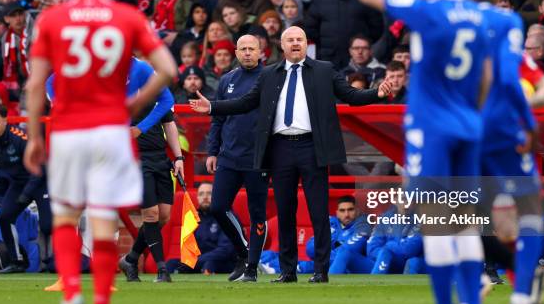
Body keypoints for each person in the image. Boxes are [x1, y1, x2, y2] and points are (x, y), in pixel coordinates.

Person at [24, 0, 176, 304]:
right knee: (105, 220)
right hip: (110, 131)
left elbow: (37, 82)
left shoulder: (54, 19)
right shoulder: (126, 16)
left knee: (65, 215)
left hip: (71, 130)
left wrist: (35, 137)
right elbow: (168, 69)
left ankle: (72, 292)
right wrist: (136, 102)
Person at [357, 0, 492, 304]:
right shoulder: (478, 16)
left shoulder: (427, 9)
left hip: (432, 128)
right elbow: (485, 75)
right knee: (464, 222)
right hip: (469, 125)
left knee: (435, 222)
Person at [190, 26, 392, 284]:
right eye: (290, 40)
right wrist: (212, 107)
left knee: (318, 210)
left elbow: (350, 95)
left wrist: (377, 93)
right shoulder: (270, 73)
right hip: (280, 148)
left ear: (307, 44)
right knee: (285, 211)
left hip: (312, 147)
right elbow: (246, 102)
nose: (295, 43)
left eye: (300, 39)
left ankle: (321, 270)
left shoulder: (323, 69)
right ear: (282, 46)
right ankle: (288, 271)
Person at [460, 0, 544, 304]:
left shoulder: (450, 28)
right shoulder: (506, 26)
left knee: (467, 219)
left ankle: (471, 295)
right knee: (528, 213)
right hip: (502, 132)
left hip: (463, 134)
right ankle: (521, 299)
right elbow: (540, 89)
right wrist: (527, 120)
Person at [203, 35, 268, 282]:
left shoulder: (269, 78)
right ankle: (243, 253)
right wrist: (212, 151)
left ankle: (251, 267)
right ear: (236, 52)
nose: (248, 53)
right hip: (228, 156)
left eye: (252, 48)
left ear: (260, 52)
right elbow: (218, 118)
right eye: (244, 49)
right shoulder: (227, 80)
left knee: (257, 214)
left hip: (258, 158)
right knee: (218, 207)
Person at [116, 58, 184, 284]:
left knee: (164, 215)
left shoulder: (155, 91)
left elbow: (169, 125)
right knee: (151, 214)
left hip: (159, 157)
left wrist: (178, 157)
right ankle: (162, 270)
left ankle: (131, 258)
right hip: (135, 158)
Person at [0, 103, 51, 274]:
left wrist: (27, 194)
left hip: (40, 182)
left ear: (5, 121)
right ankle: (17, 261)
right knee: (4, 217)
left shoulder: (20, 138)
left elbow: (40, 168)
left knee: (48, 225)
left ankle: (56, 262)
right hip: (18, 184)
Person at [166, 182, 237, 274]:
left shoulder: (227, 216)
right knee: (170, 264)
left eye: (209, 193)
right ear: (197, 198)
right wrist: (190, 261)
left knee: (209, 264)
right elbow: (188, 248)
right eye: (201, 194)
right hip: (197, 261)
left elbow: (226, 250)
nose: (205, 197)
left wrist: (197, 261)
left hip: (222, 261)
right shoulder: (193, 218)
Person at [327, 196, 373, 274]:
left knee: (344, 253)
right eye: (342, 211)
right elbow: (311, 247)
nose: (347, 214)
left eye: (350, 210)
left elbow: (352, 247)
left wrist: (332, 244)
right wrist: (338, 242)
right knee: (302, 266)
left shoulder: (363, 223)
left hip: (358, 265)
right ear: (337, 213)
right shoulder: (332, 222)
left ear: (357, 211)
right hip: (335, 263)